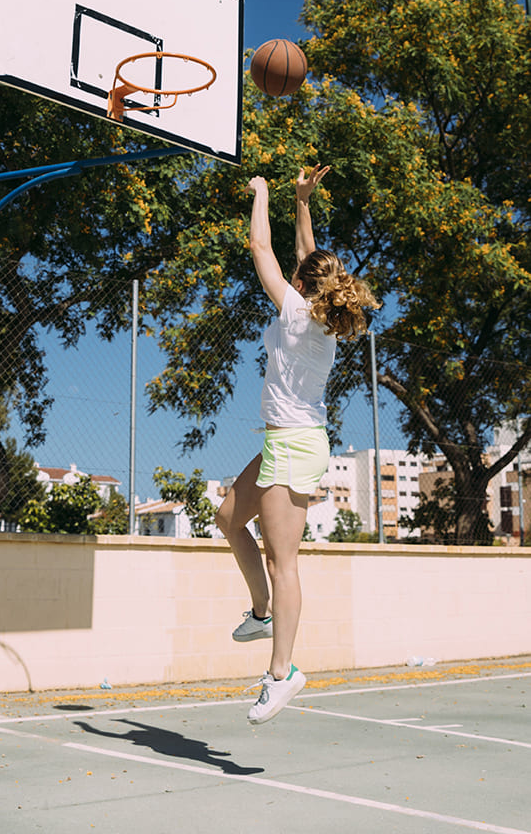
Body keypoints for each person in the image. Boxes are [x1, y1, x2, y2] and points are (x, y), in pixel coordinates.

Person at [216, 164, 380, 724]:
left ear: (304, 286)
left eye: (299, 275)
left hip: (294, 444)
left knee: (282, 562)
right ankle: (261, 612)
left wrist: (261, 193)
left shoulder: (292, 313)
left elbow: (260, 244)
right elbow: (307, 255)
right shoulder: (325, 319)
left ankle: (282, 673)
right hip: (288, 441)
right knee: (227, 519)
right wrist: (303, 202)